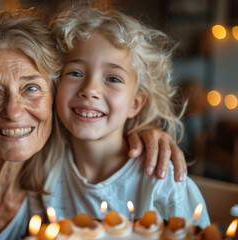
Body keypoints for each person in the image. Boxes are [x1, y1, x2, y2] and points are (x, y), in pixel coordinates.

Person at [0, 8, 187, 240]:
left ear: (54, 98)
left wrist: (145, 133)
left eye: (31, 88)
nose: (13, 111)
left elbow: (99, 126)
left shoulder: (57, 160)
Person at [38, 7, 210, 228]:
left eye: (113, 78)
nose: (90, 89)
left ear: (135, 104)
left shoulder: (163, 182)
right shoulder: (45, 167)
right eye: (75, 73)